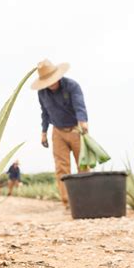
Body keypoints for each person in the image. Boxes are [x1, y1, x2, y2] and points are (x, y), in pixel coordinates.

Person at [31, 59, 88, 207]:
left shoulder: (72, 86)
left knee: (83, 164)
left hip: (76, 129)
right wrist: (43, 132)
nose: (50, 84)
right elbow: (44, 113)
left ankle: (86, 199)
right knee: (61, 167)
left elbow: (79, 105)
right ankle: (67, 202)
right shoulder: (42, 93)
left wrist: (83, 122)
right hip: (57, 131)